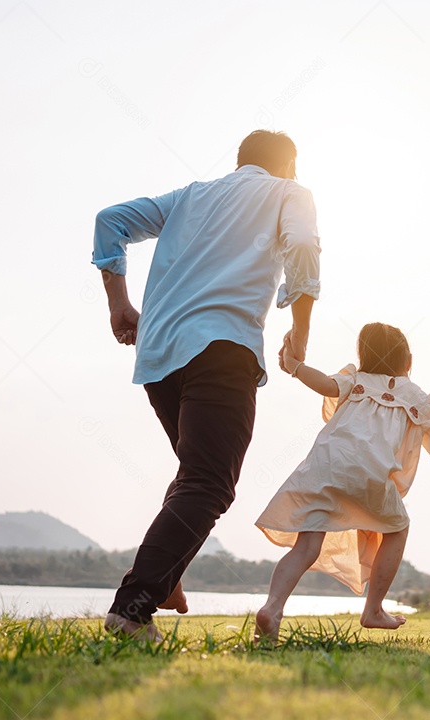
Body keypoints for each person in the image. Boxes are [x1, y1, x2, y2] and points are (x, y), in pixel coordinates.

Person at [92, 130, 322, 640]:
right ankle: (131, 610)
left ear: (241, 161)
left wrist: (118, 305)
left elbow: (110, 220)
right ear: (288, 166)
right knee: (210, 482)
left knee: (195, 474)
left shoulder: (191, 196)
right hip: (221, 347)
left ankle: (166, 579)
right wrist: (301, 330)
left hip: (157, 353)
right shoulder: (289, 192)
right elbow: (304, 244)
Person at [254, 322, 430, 640]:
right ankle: (373, 609)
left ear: (363, 357)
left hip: (325, 468)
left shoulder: (354, 380)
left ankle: (272, 607)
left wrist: (295, 366)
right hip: (371, 476)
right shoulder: (417, 397)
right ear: (408, 361)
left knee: (306, 546)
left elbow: (324, 384)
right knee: (397, 529)